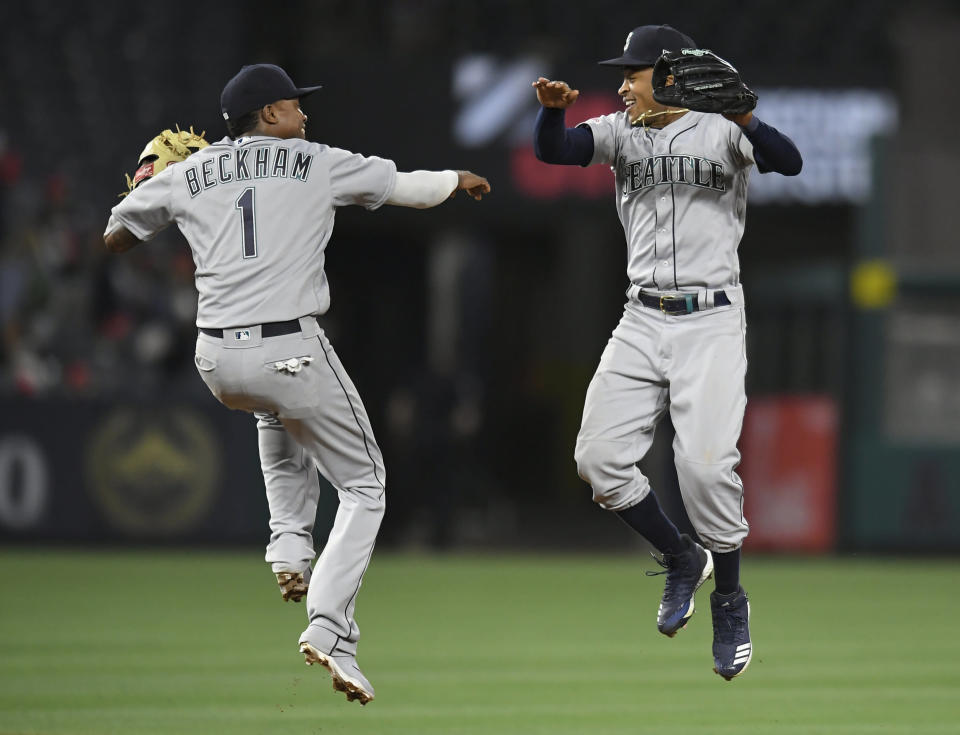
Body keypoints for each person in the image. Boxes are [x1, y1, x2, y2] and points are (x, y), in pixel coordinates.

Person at [103, 63, 491, 705]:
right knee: (366, 485)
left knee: (271, 414)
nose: (304, 115)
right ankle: (331, 629)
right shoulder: (311, 160)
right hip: (288, 346)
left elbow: (115, 238)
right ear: (272, 116)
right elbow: (403, 186)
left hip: (217, 361)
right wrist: (457, 180)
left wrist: (156, 187)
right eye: (295, 105)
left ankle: (288, 551)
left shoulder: (188, 175)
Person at [532, 24, 801, 680]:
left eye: (635, 72)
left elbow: (789, 162)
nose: (623, 84)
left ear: (671, 75)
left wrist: (745, 116)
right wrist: (552, 110)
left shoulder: (722, 130)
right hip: (641, 317)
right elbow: (555, 152)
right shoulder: (620, 131)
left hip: (711, 319)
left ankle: (730, 597)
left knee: (706, 469)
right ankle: (681, 555)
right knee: (597, 459)